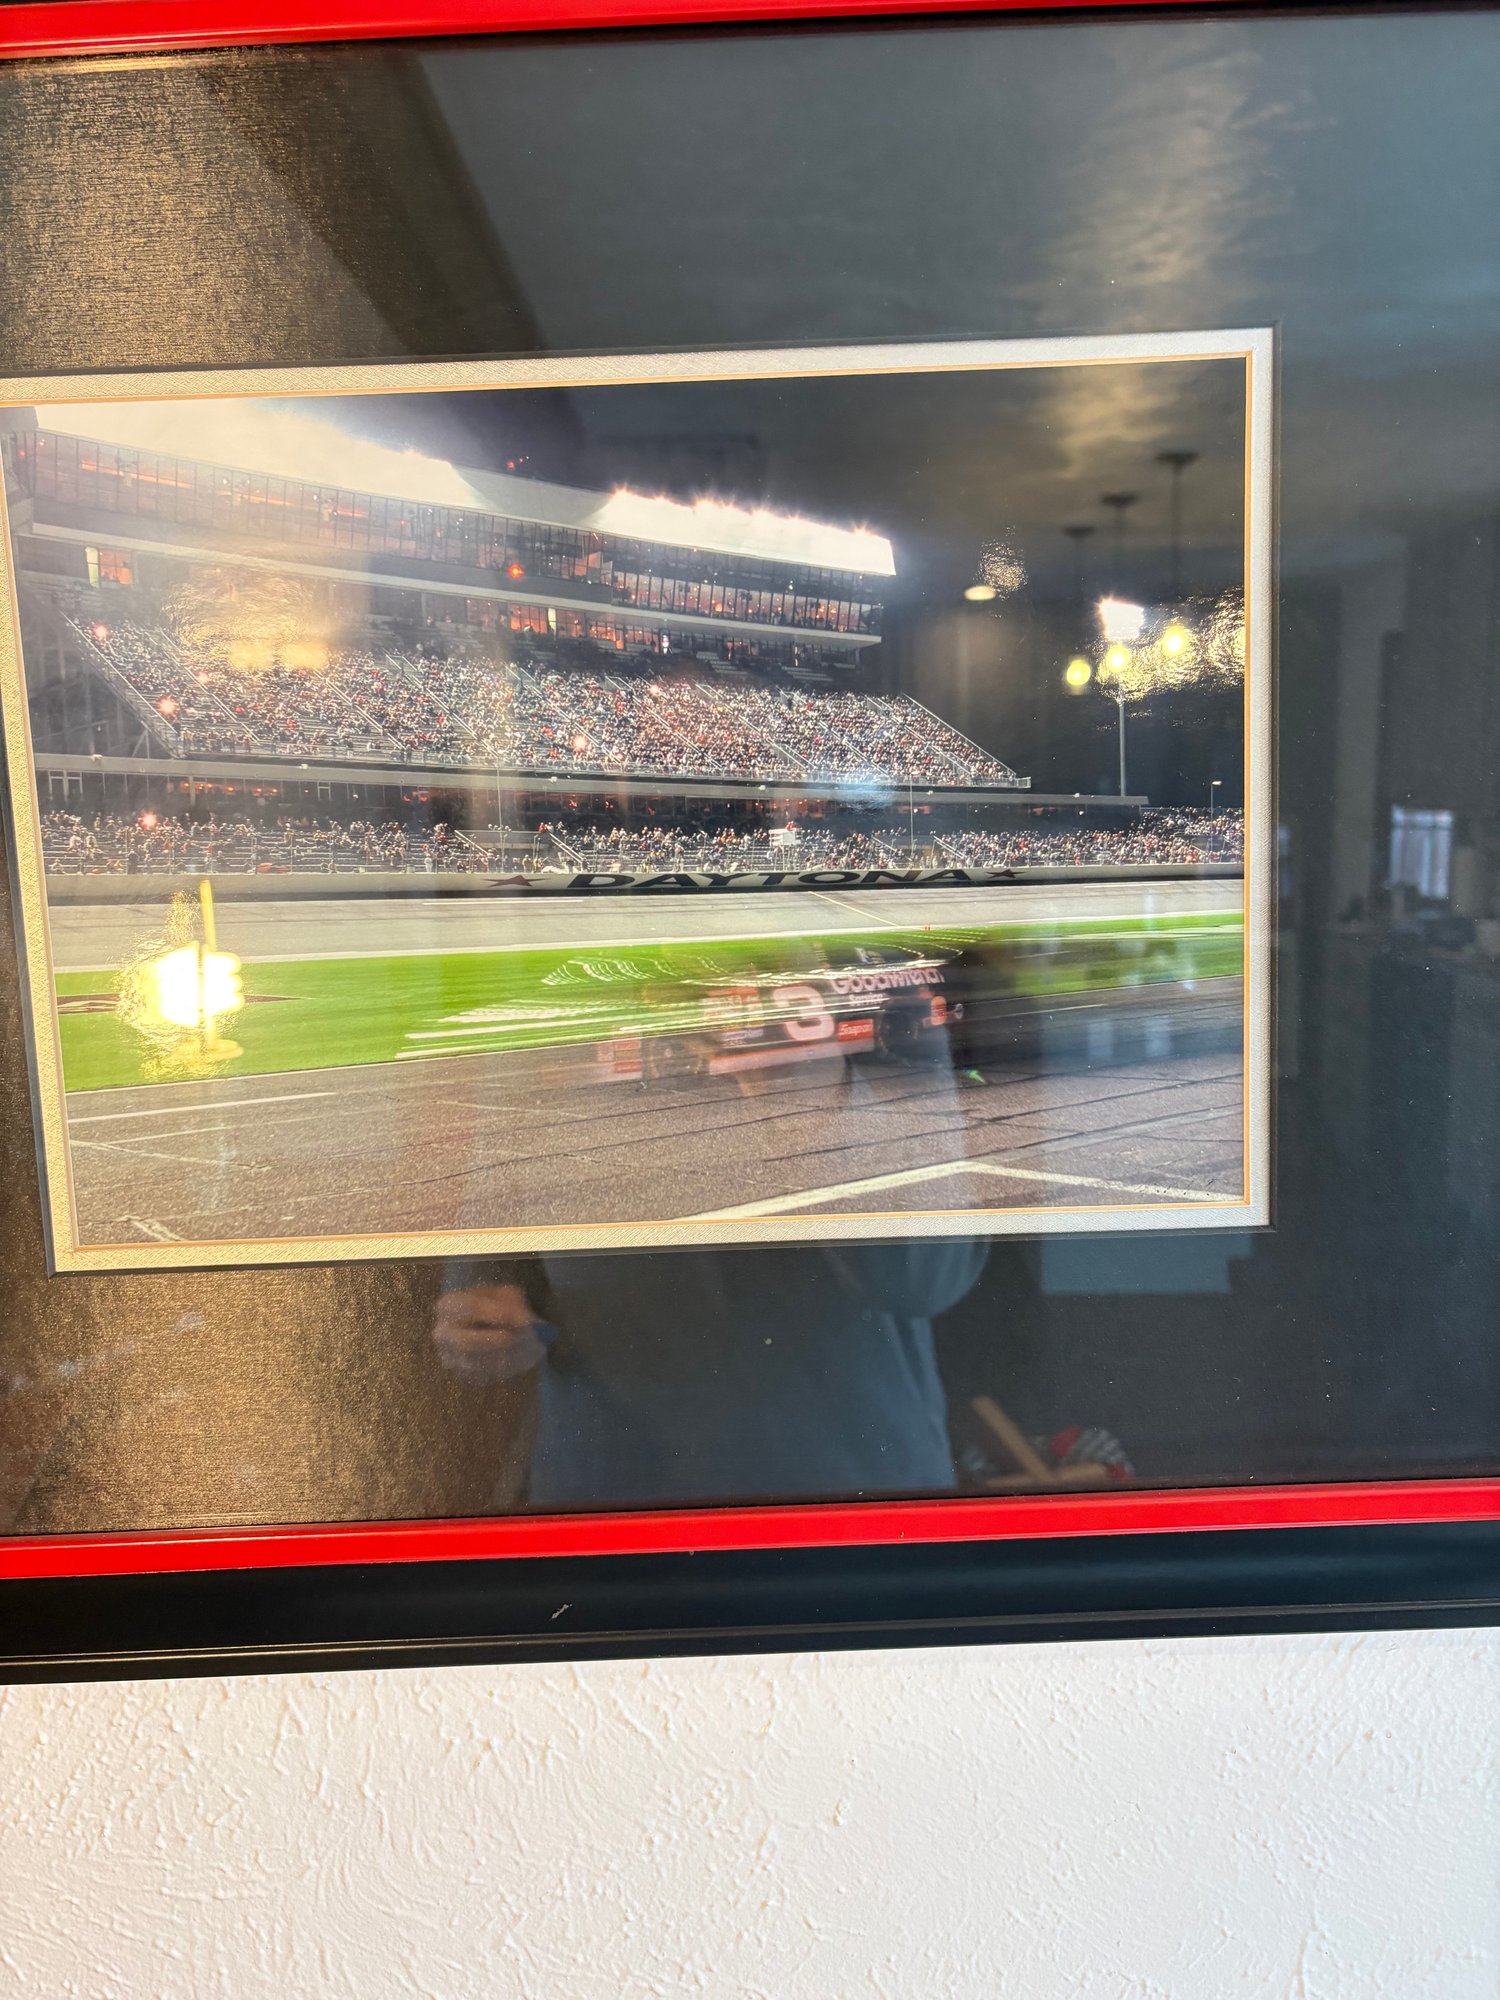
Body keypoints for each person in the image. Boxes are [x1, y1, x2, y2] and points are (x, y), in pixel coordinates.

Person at [432, 1242, 988, 1510]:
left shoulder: (881, 1040)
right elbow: (482, 1297)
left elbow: (926, 1277)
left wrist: (829, 1093)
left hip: (852, 1495)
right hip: (617, 1500)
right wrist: (484, 1323)